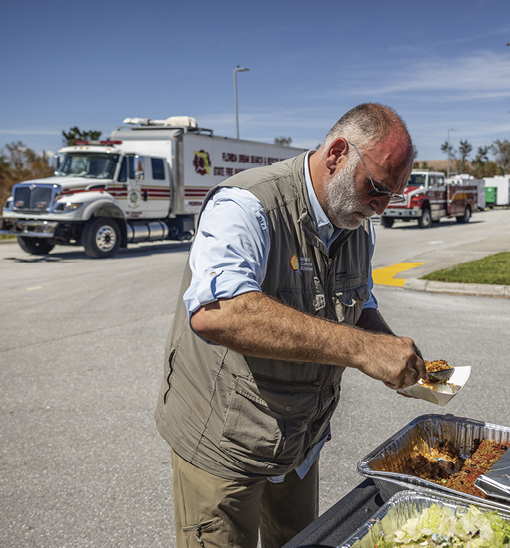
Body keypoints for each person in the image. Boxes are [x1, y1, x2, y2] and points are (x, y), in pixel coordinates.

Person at [155, 103, 426, 548]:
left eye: (392, 195)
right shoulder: (246, 203)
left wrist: (388, 346)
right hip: (225, 442)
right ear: (337, 153)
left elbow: (359, 300)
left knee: (299, 540)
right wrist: (362, 350)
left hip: (300, 440)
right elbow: (219, 311)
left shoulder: (355, 220)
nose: (379, 207)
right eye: (376, 187)